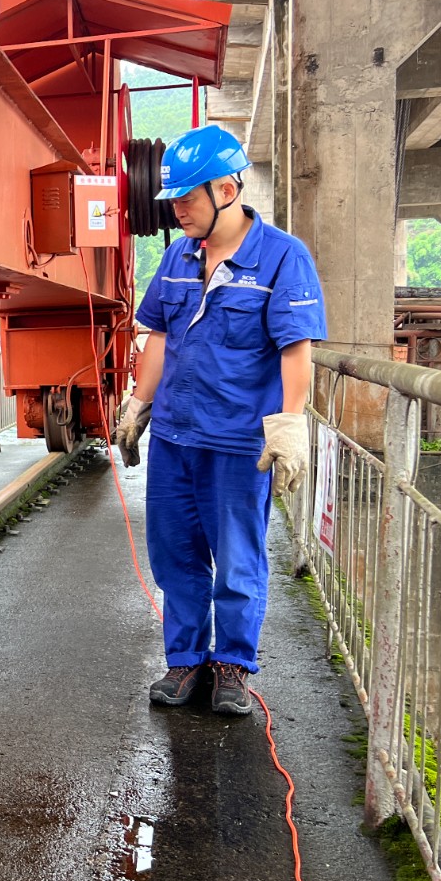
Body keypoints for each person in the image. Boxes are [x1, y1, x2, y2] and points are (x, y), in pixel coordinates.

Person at [113, 125, 327, 716]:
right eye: (174, 200)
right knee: (174, 554)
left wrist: (289, 425)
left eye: (187, 199)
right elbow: (159, 336)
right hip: (175, 438)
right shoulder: (177, 257)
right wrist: (138, 404)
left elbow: (295, 349)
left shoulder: (282, 257)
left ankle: (232, 664)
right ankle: (185, 661)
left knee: (236, 560)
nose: (177, 211)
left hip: (236, 443)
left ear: (226, 190)